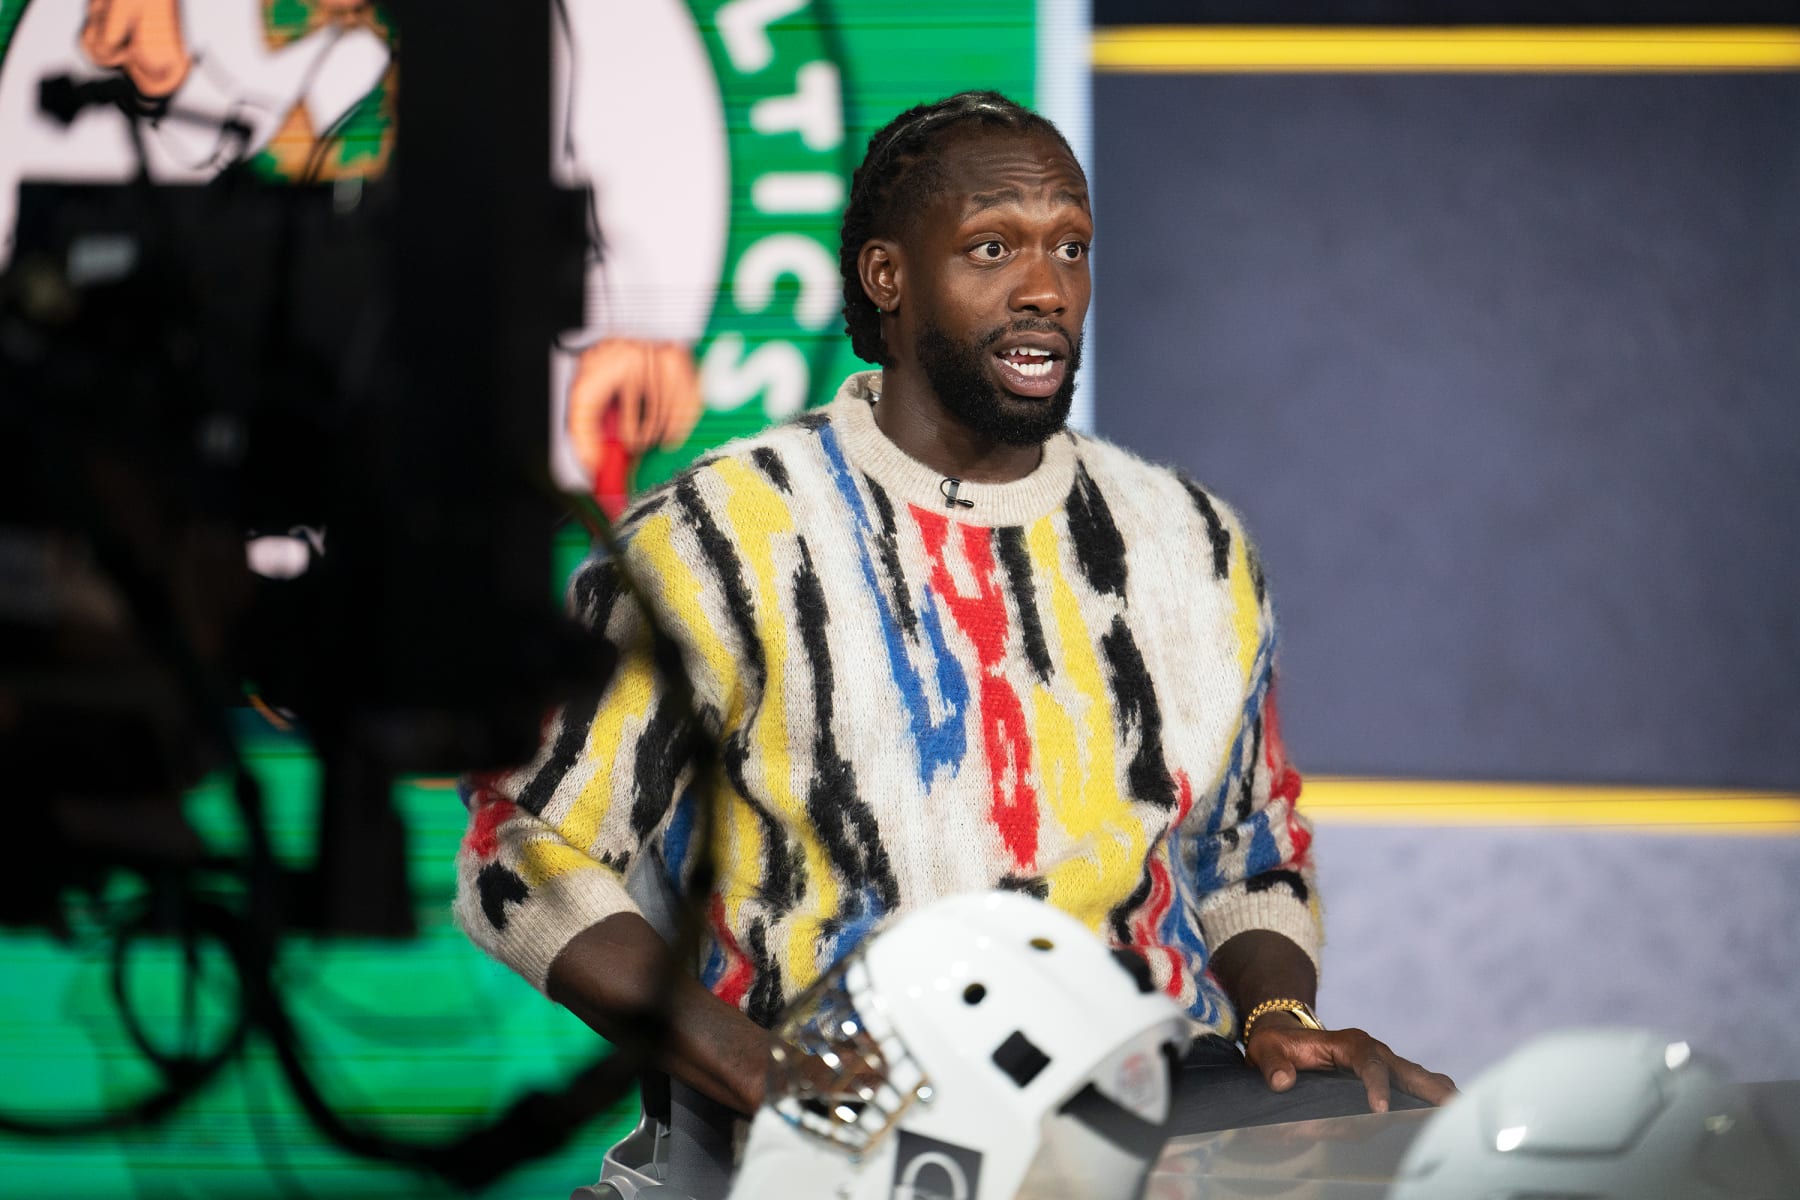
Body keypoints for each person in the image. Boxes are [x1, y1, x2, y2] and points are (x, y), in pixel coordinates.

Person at [454, 90, 1453, 1184]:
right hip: (809, 1146)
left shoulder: (1187, 542)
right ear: (887, 278)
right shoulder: (714, 540)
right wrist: (759, 1071)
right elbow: (523, 847)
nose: (1046, 290)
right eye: (993, 249)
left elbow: (1245, 852)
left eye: (1070, 249)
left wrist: (1274, 1011)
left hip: (1131, 1130)